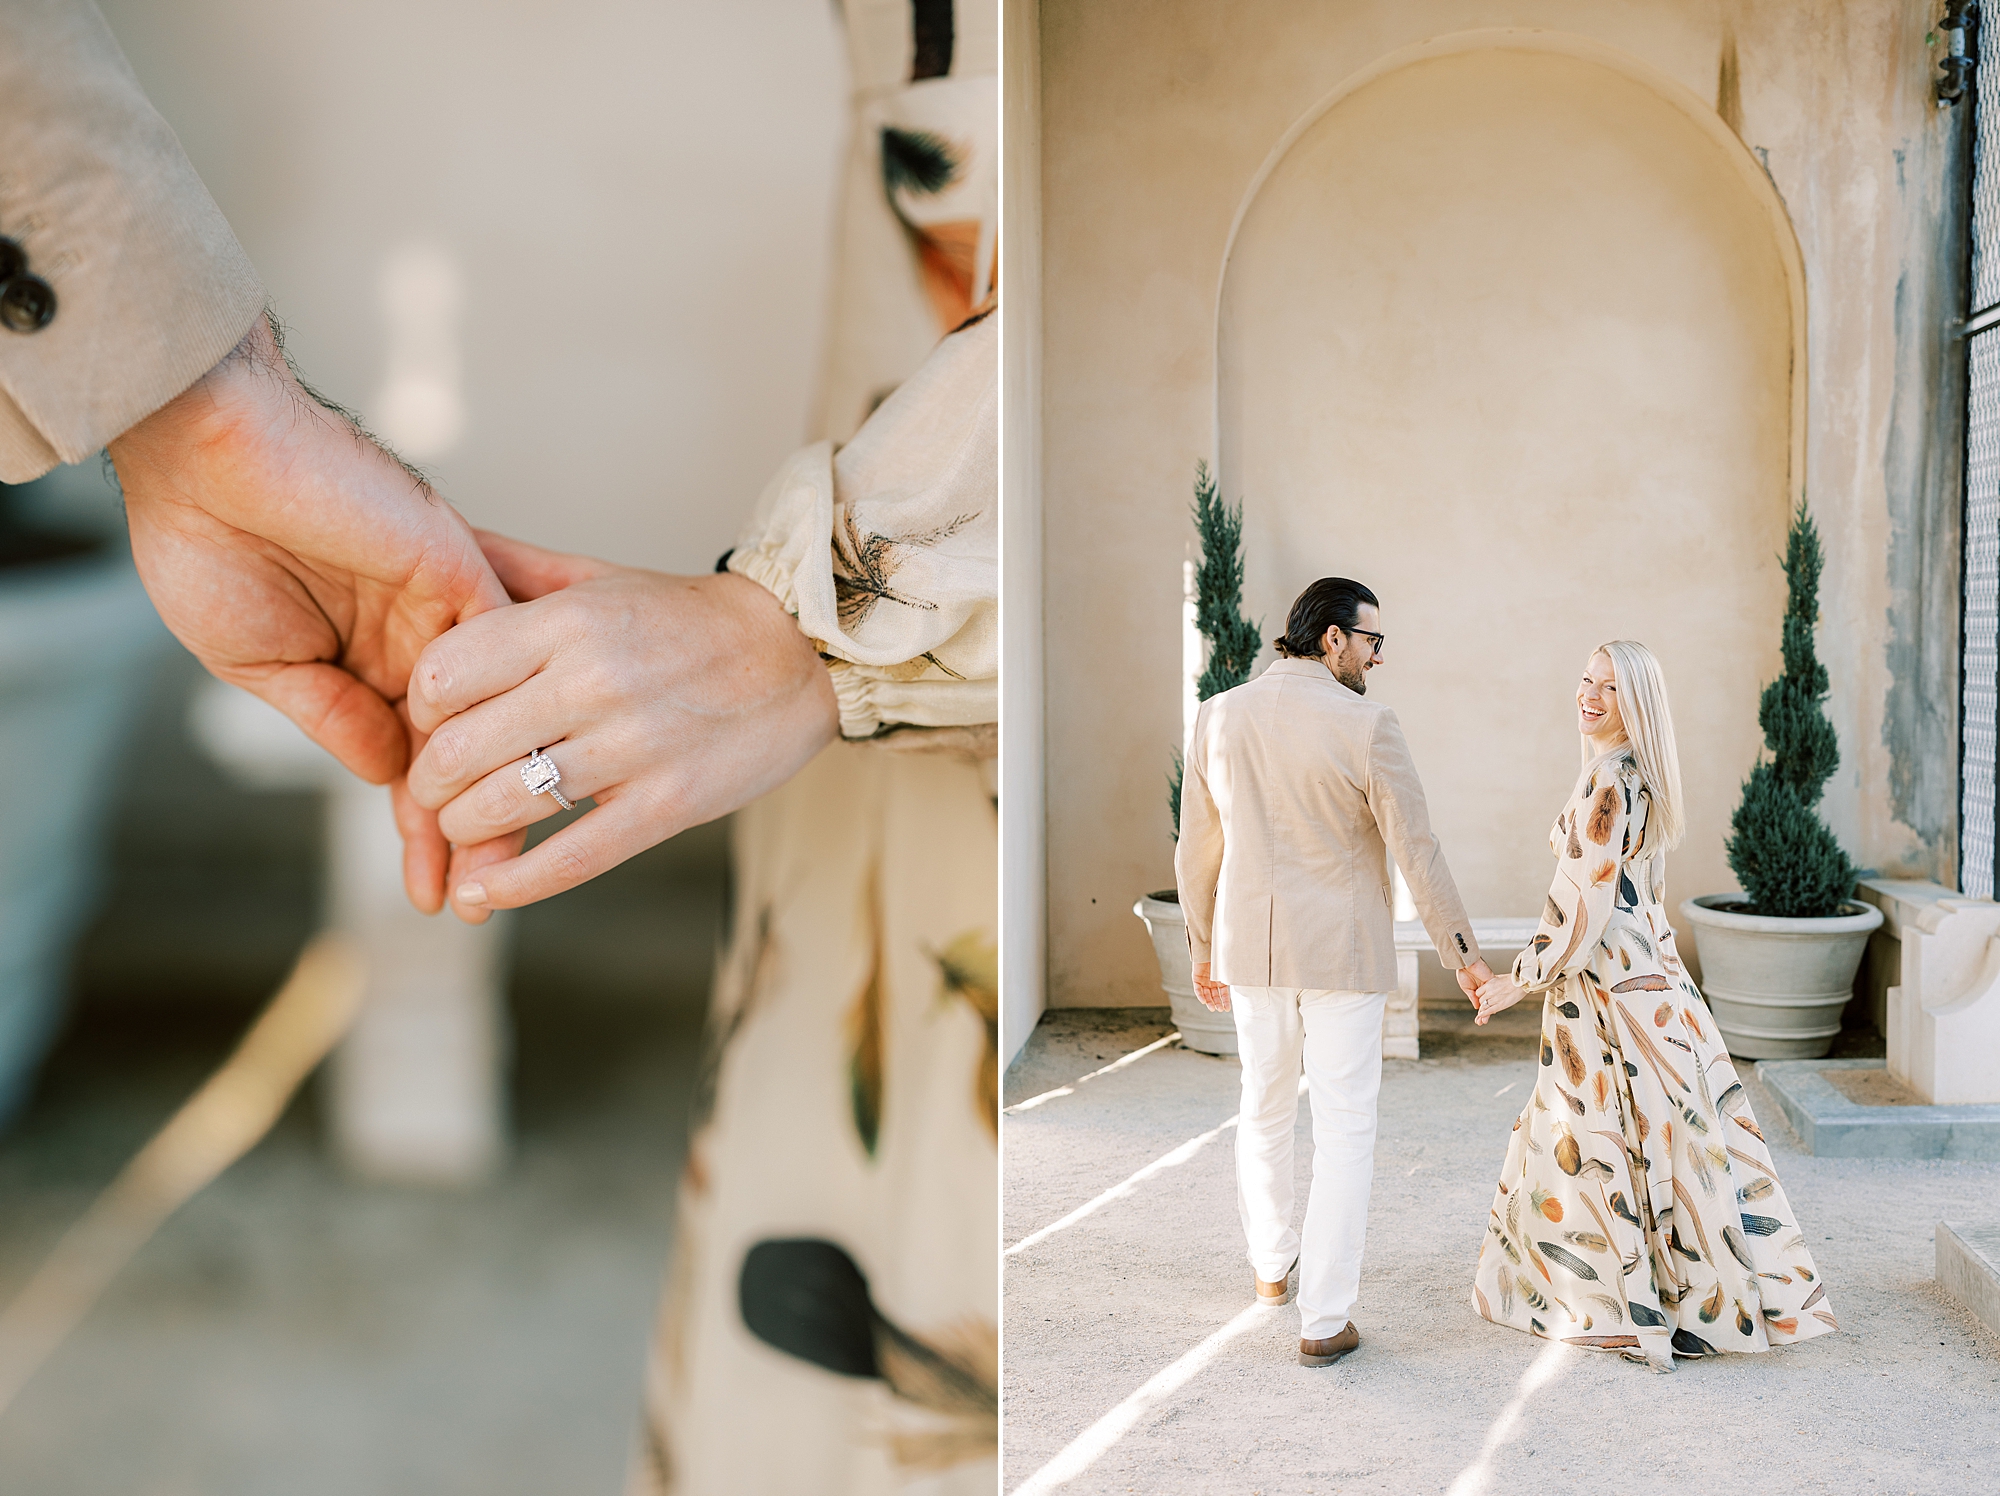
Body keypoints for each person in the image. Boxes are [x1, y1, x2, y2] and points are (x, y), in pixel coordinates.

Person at [1468, 641, 1837, 1370]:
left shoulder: (1611, 780)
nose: (1591, 695)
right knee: (1661, 1136)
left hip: (1609, 988)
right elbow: (1639, 897)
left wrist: (1519, 978)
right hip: (1649, 980)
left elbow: (1584, 901)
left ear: (1638, 703)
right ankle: (1669, 1297)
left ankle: (1626, 1302)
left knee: (1605, 1134)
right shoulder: (1634, 775)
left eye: (1611, 687)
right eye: (1586, 679)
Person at [1175, 576, 1491, 1368]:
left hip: (1251, 948)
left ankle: (1271, 1270)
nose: (1379, 658)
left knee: (1264, 1105)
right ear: (1332, 639)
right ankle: (1323, 1319)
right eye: (1372, 641)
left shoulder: (1219, 715)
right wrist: (1465, 954)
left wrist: (1203, 947)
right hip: (1343, 955)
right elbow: (1417, 848)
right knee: (1345, 1125)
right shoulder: (1368, 725)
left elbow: (1195, 850)